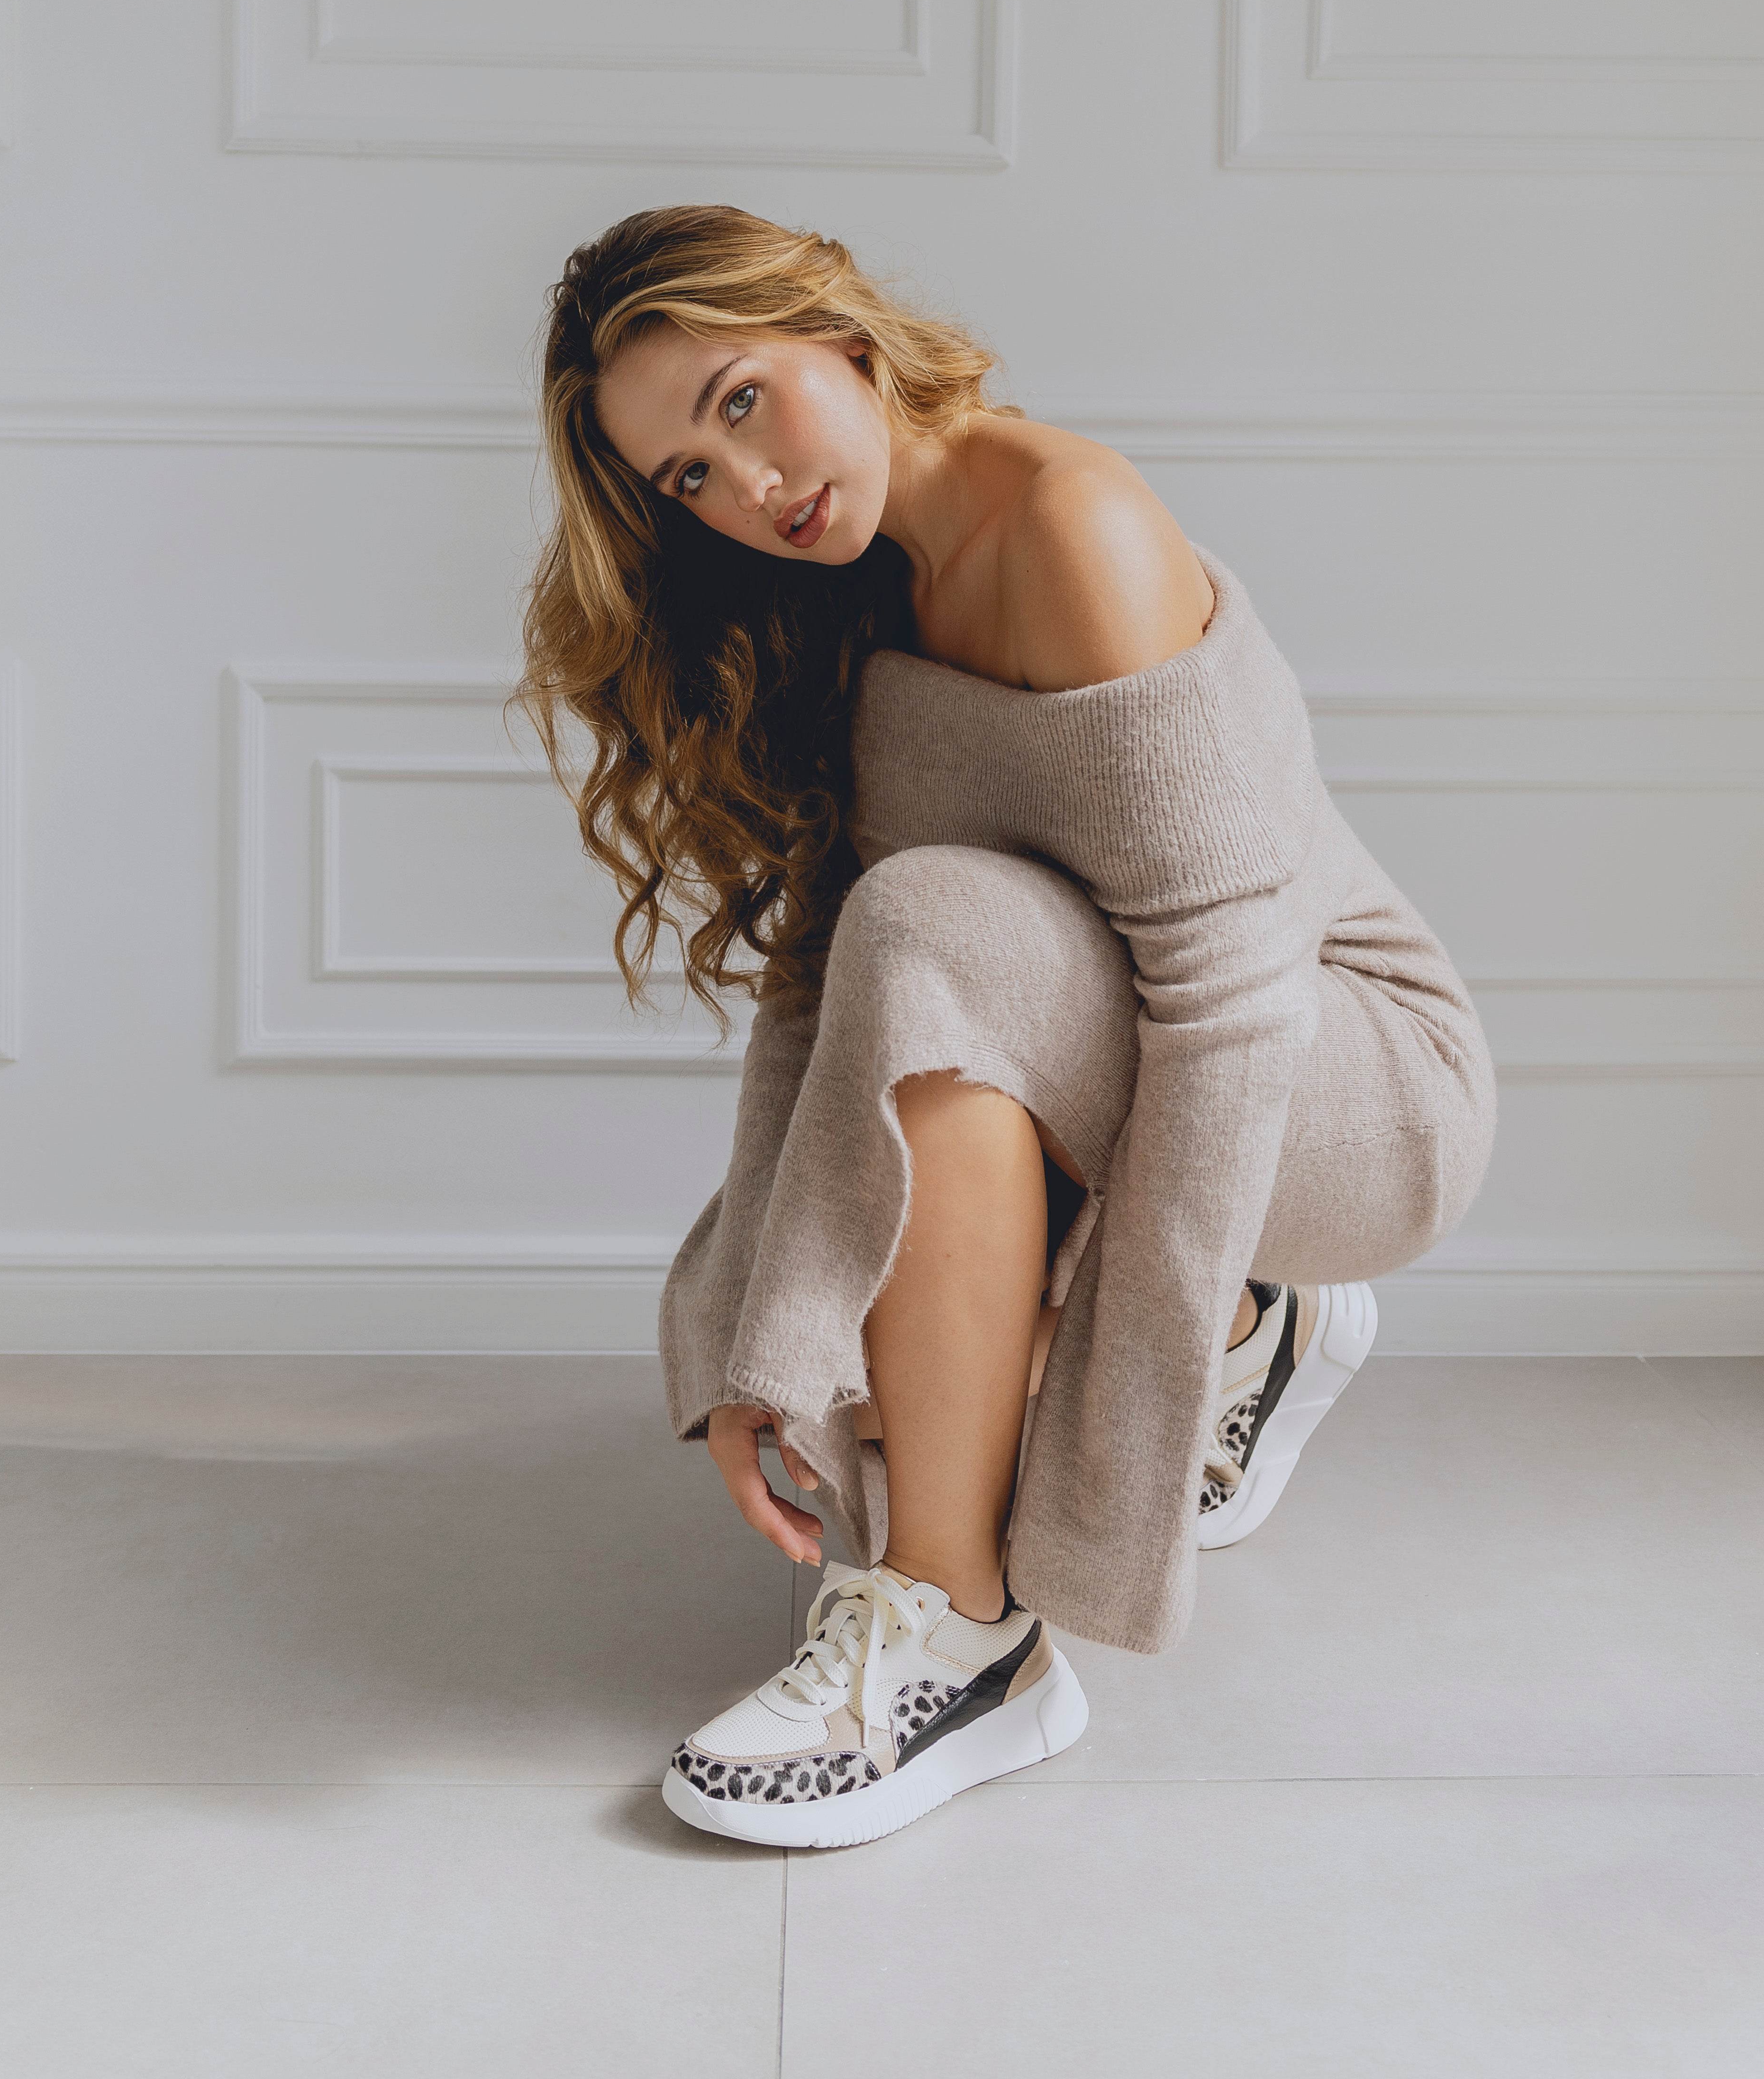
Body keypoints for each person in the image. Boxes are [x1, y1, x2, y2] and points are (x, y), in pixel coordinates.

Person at [514, 204, 1496, 1851]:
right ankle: (1259, 1334)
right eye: (688, 476)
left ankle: (965, 1635)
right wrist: (776, 1325)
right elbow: (829, 989)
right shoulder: (856, 586)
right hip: (1138, 1076)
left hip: (1349, 1082)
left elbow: (1227, 1012)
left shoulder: (1074, 531)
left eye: (743, 400)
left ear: (835, 320)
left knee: (935, 934)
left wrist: (1117, 1419)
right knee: (905, 1032)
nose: (746, 487)